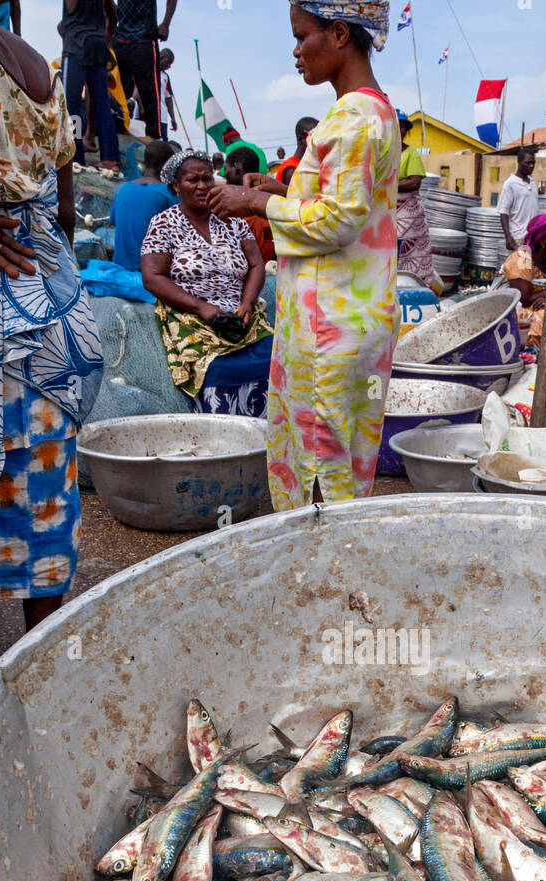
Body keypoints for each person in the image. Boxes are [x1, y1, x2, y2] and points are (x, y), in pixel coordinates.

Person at [0, 0, 102, 728]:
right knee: (39, 472)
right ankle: (43, 665)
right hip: (45, 286)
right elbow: (64, 186)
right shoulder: (33, 58)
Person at [208, 1, 400, 511]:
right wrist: (283, 190)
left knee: (322, 465)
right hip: (347, 314)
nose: (296, 52)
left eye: (301, 37)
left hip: (331, 324)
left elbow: (338, 220)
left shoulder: (354, 117)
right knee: (338, 454)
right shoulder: (371, 109)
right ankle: (331, 572)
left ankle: (323, 576)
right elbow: (346, 203)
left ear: (339, 33)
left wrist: (255, 202)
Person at [141, 150, 273, 418]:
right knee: (216, 368)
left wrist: (247, 303)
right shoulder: (164, 223)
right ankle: (223, 442)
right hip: (193, 318)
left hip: (242, 317)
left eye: (207, 179)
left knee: (273, 357)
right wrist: (200, 306)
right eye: (192, 180)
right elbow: (152, 277)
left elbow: (257, 265)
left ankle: (268, 444)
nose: (202, 186)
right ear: (177, 186)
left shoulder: (233, 220)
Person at [60, 0, 120, 171]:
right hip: (98, 44)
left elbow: (71, 6)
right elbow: (113, 14)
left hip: (75, 45)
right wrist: (105, 38)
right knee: (102, 104)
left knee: (70, 106)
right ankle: (110, 159)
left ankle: (75, 156)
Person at [109, 137, 176, 270]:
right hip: (152, 272)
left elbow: (117, 225)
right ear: (166, 165)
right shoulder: (169, 193)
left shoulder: (123, 188)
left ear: (145, 161)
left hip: (121, 268)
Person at [113, 0, 175, 142]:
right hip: (121, 38)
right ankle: (118, 128)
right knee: (117, 89)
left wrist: (165, 24)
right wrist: (113, 13)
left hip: (144, 38)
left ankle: (153, 136)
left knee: (150, 92)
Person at [502, 211, 546, 349]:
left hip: (536, 306)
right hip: (510, 309)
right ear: (542, 241)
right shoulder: (523, 258)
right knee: (542, 318)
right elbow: (522, 299)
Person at [395, 110, 434, 287]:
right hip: (387, 210)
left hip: (408, 213)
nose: (398, 129)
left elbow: (414, 182)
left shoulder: (410, 153)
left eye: (402, 126)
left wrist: (388, 184)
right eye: (395, 125)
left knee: (409, 252)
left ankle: (413, 287)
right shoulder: (381, 154)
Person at [225, 145, 275, 263]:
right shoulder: (269, 199)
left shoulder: (232, 205)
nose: (224, 173)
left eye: (225, 167)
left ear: (236, 167)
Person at [498, 146, 539, 253]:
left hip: (533, 237)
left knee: (530, 269)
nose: (531, 166)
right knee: (521, 268)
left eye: (533, 163)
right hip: (519, 238)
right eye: (528, 163)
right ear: (519, 162)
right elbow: (503, 212)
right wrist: (508, 237)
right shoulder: (510, 184)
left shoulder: (532, 182)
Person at [276, 115, 318, 185]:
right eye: (314, 138)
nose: (319, 142)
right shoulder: (291, 169)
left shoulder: (307, 165)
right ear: (300, 139)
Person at [159, 46, 176, 139]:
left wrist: (173, 118)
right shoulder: (148, 69)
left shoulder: (165, 77)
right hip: (147, 115)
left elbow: (168, 98)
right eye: (168, 63)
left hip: (162, 117)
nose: (169, 66)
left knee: (162, 144)